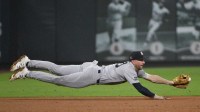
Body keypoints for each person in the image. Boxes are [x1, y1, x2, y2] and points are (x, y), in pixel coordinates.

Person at [10, 51, 175, 100]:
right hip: (91, 75)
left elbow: (151, 77)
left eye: (143, 60)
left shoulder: (134, 68)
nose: (143, 62)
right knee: (57, 79)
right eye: (141, 60)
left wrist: (170, 83)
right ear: (133, 61)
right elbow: (139, 88)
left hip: (91, 67)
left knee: (57, 69)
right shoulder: (129, 69)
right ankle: (27, 73)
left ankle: (28, 61)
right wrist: (156, 97)